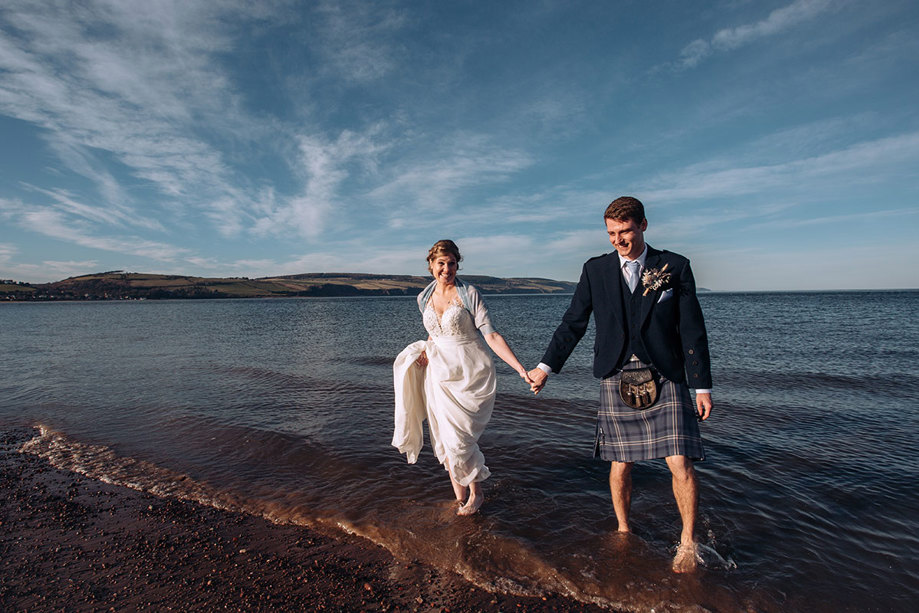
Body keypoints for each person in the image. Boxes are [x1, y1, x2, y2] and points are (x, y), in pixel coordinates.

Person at [527, 196, 713, 572]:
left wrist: (702, 386)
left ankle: (688, 542)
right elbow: (573, 323)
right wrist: (546, 366)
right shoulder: (595, 271)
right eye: (612, 233)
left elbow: (692, 329)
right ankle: (625, 530)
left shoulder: (674, 266)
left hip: (665, 372)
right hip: (616, 372)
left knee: (679, 460)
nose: (618, 240)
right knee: (620, 461)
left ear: (643, 225)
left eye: (625, 231)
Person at [393, 240, 531, 516]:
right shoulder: (423, 297)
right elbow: (436, 331)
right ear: (431, 265)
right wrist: (426, 351)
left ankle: (477, 495)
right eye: (441, 263)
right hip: (438, 374)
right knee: (444, 437)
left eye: (452, 263)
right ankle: (460, 497)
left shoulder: (469, 293)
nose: (447, 269)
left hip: (469, 371)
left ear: (458, 264)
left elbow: (490, 334)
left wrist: (519, 369)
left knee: (460, 438)